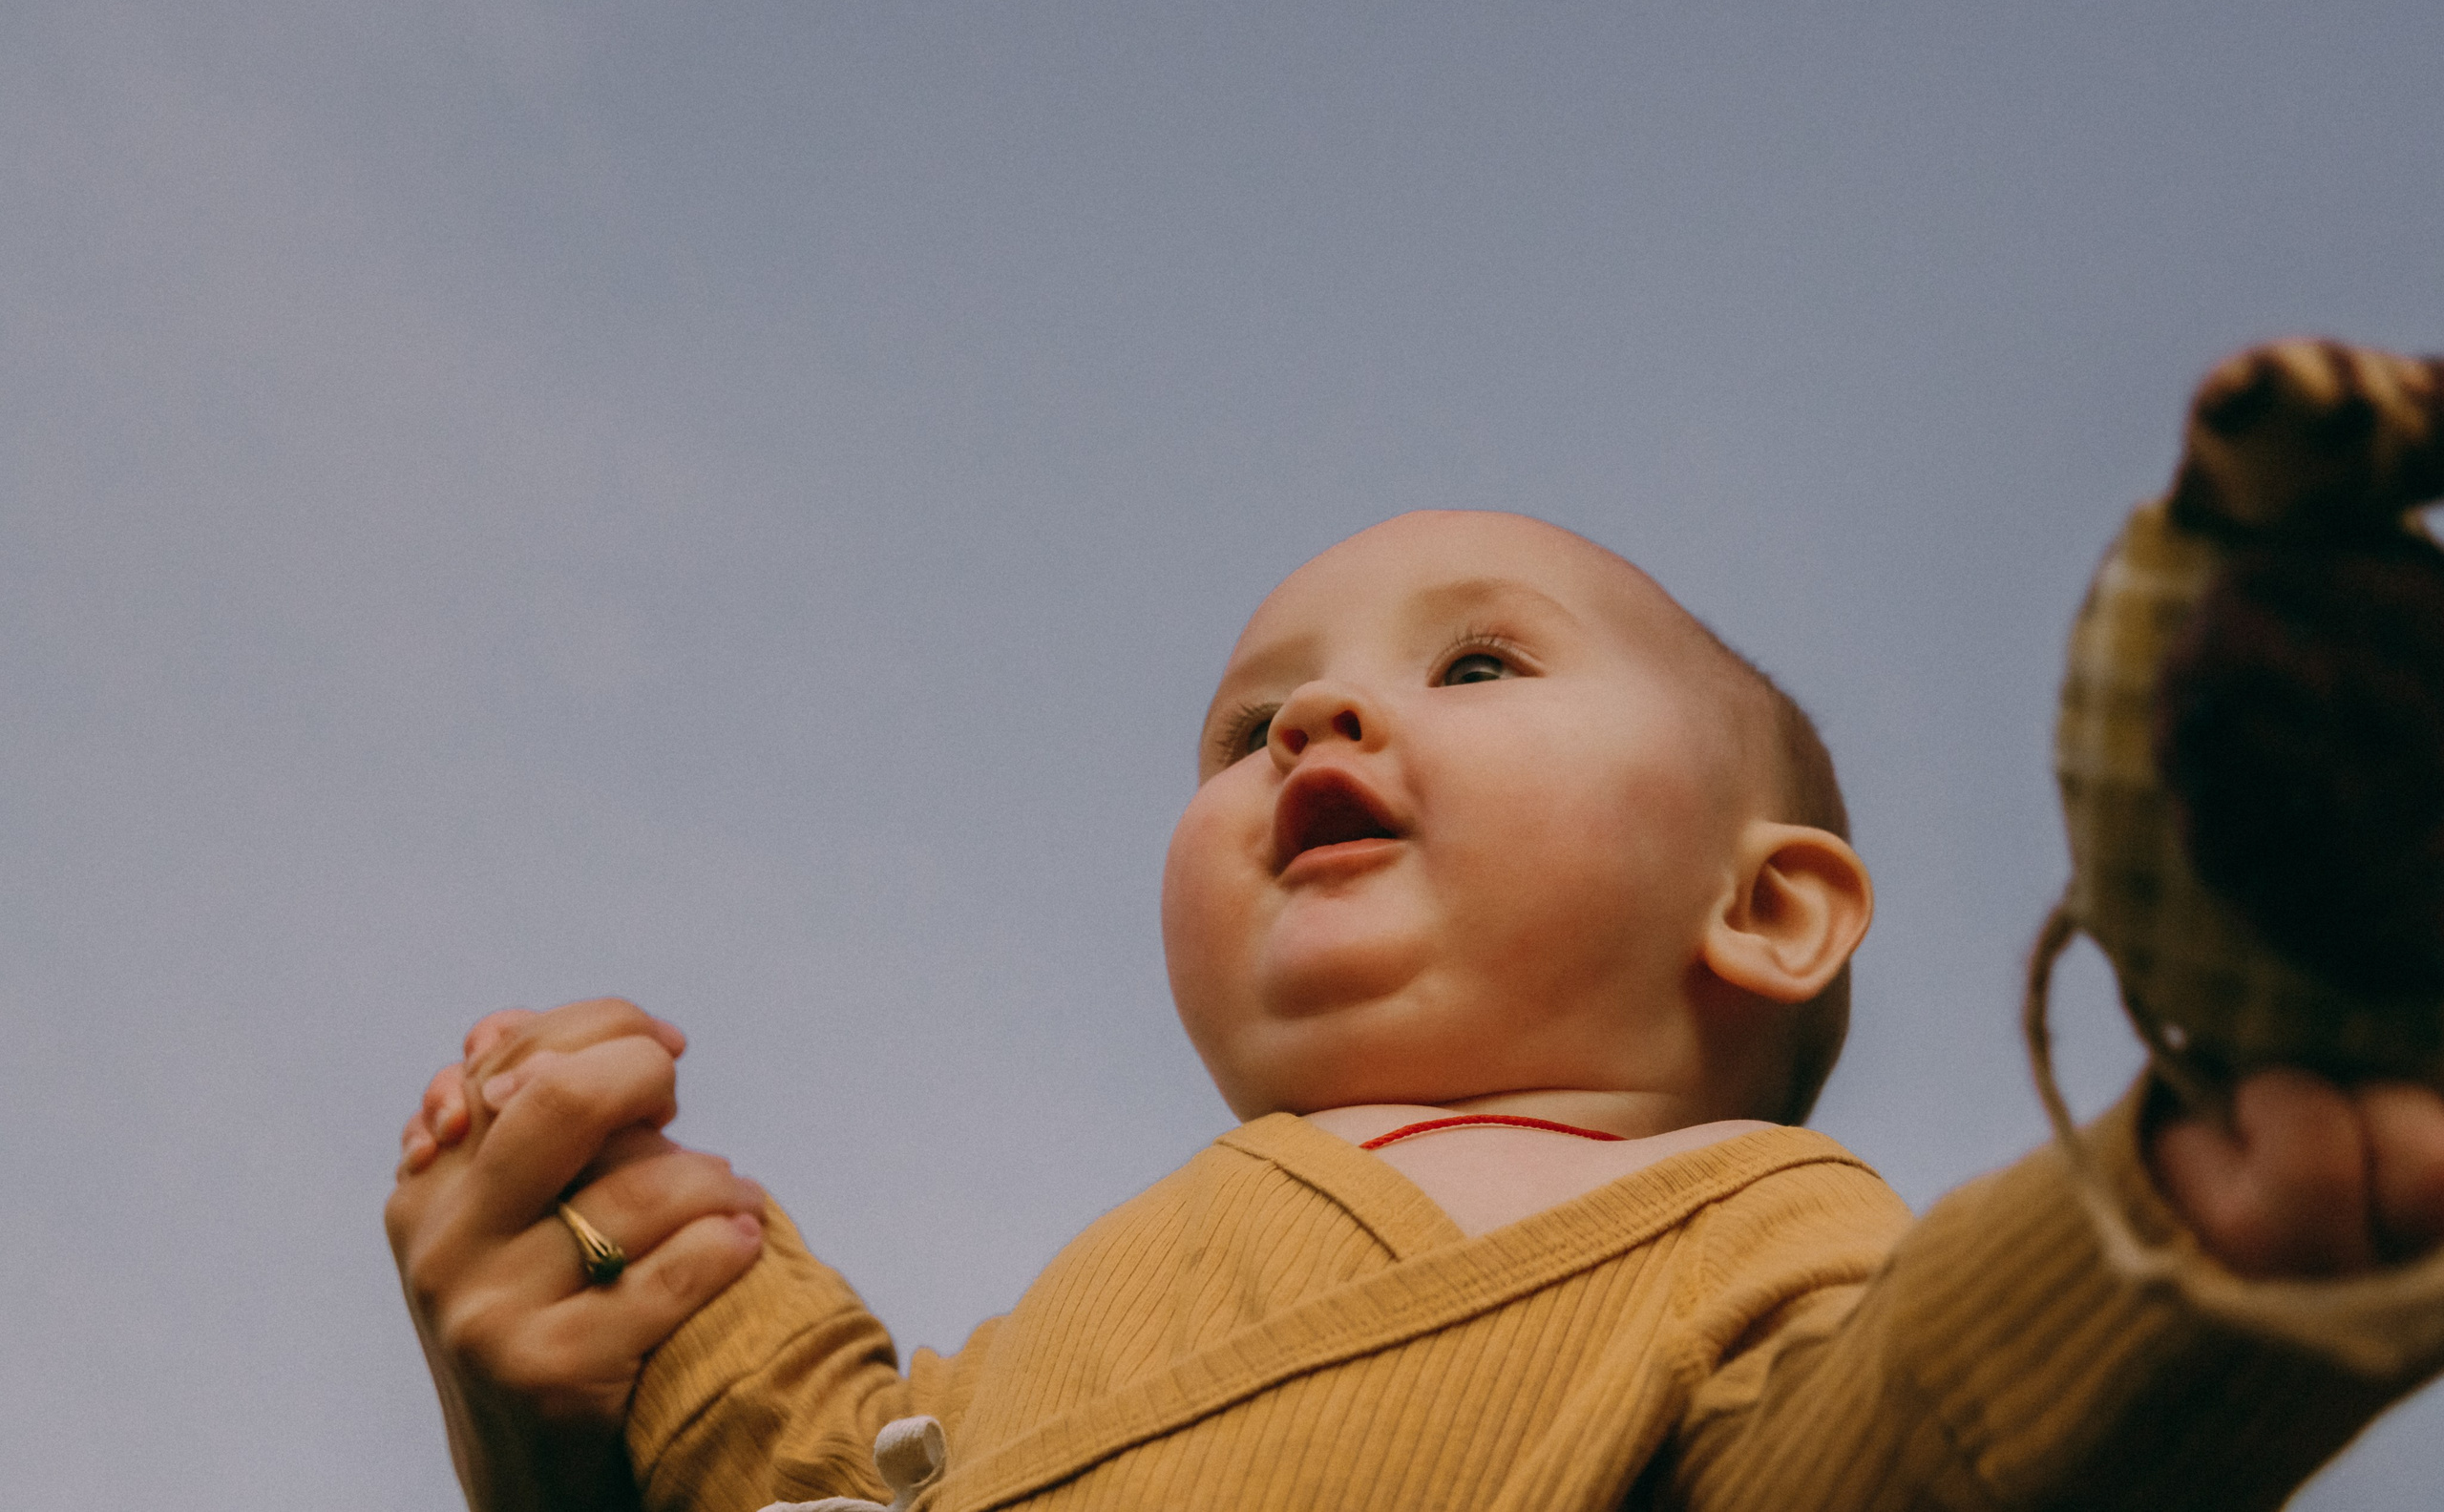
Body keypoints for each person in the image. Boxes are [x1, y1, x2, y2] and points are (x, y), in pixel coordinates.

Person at [388, 500, 2444, 1512]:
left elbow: (1903, 1436)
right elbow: (816, 1450)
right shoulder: (1029, 1343)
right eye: (1237, 721)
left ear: (1769, 905)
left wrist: (2176, 1230)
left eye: (1477, 665)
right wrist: (634, 1248)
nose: (1311, 714)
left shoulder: (1751, 1222)